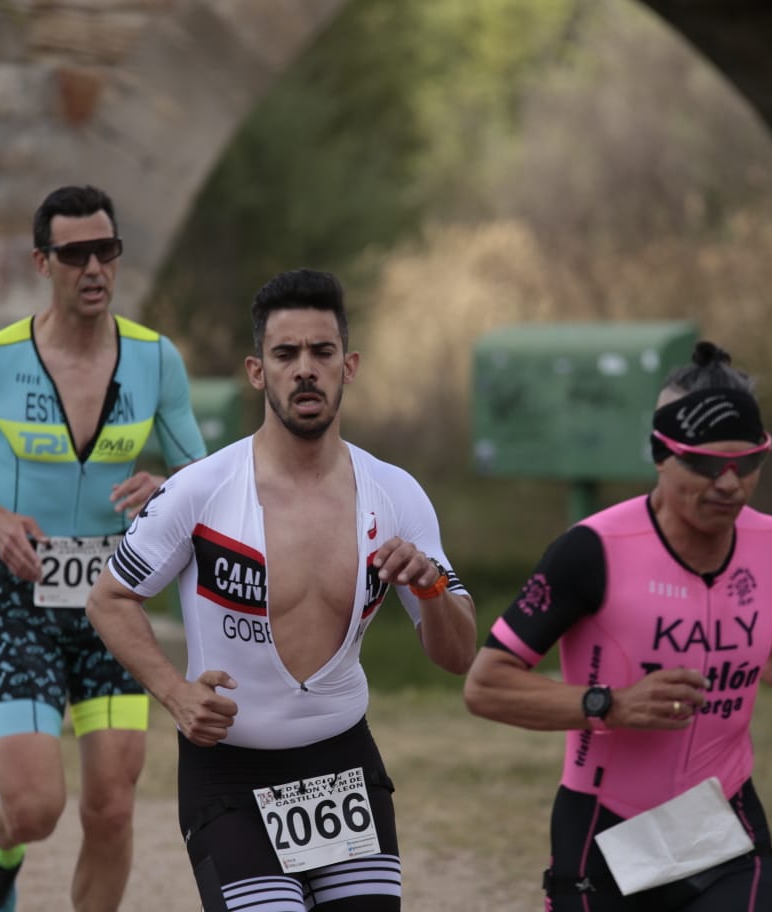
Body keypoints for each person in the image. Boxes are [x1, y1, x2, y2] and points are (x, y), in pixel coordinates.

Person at [85, 268, 478, 911]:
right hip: (230, 772)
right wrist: (175, 694)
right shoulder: (199, 491)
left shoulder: (395, 494)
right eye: (285, 353)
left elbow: (459, 656)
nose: (305, 370)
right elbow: (109, 598)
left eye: (322, 352)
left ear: (349, 365)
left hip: (343, 766)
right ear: (256, 371)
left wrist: (432, 588)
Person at [463, 341, 772, 911]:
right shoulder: (591, 550)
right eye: (705, 465)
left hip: (722, 816)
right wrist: (610, 705)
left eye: (747, 463)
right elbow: (486, 686)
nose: (729, 484)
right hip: (606, 826)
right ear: (662, 455)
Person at [0, 184, 208, 912]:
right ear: (42, 262)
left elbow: (204, 480)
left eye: (105, 251)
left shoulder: (155, 360)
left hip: (114, 601)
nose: (94, 269)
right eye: (75, 254)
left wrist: (165, 487)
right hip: (21, 601)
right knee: (36, 807)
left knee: (111, 807)